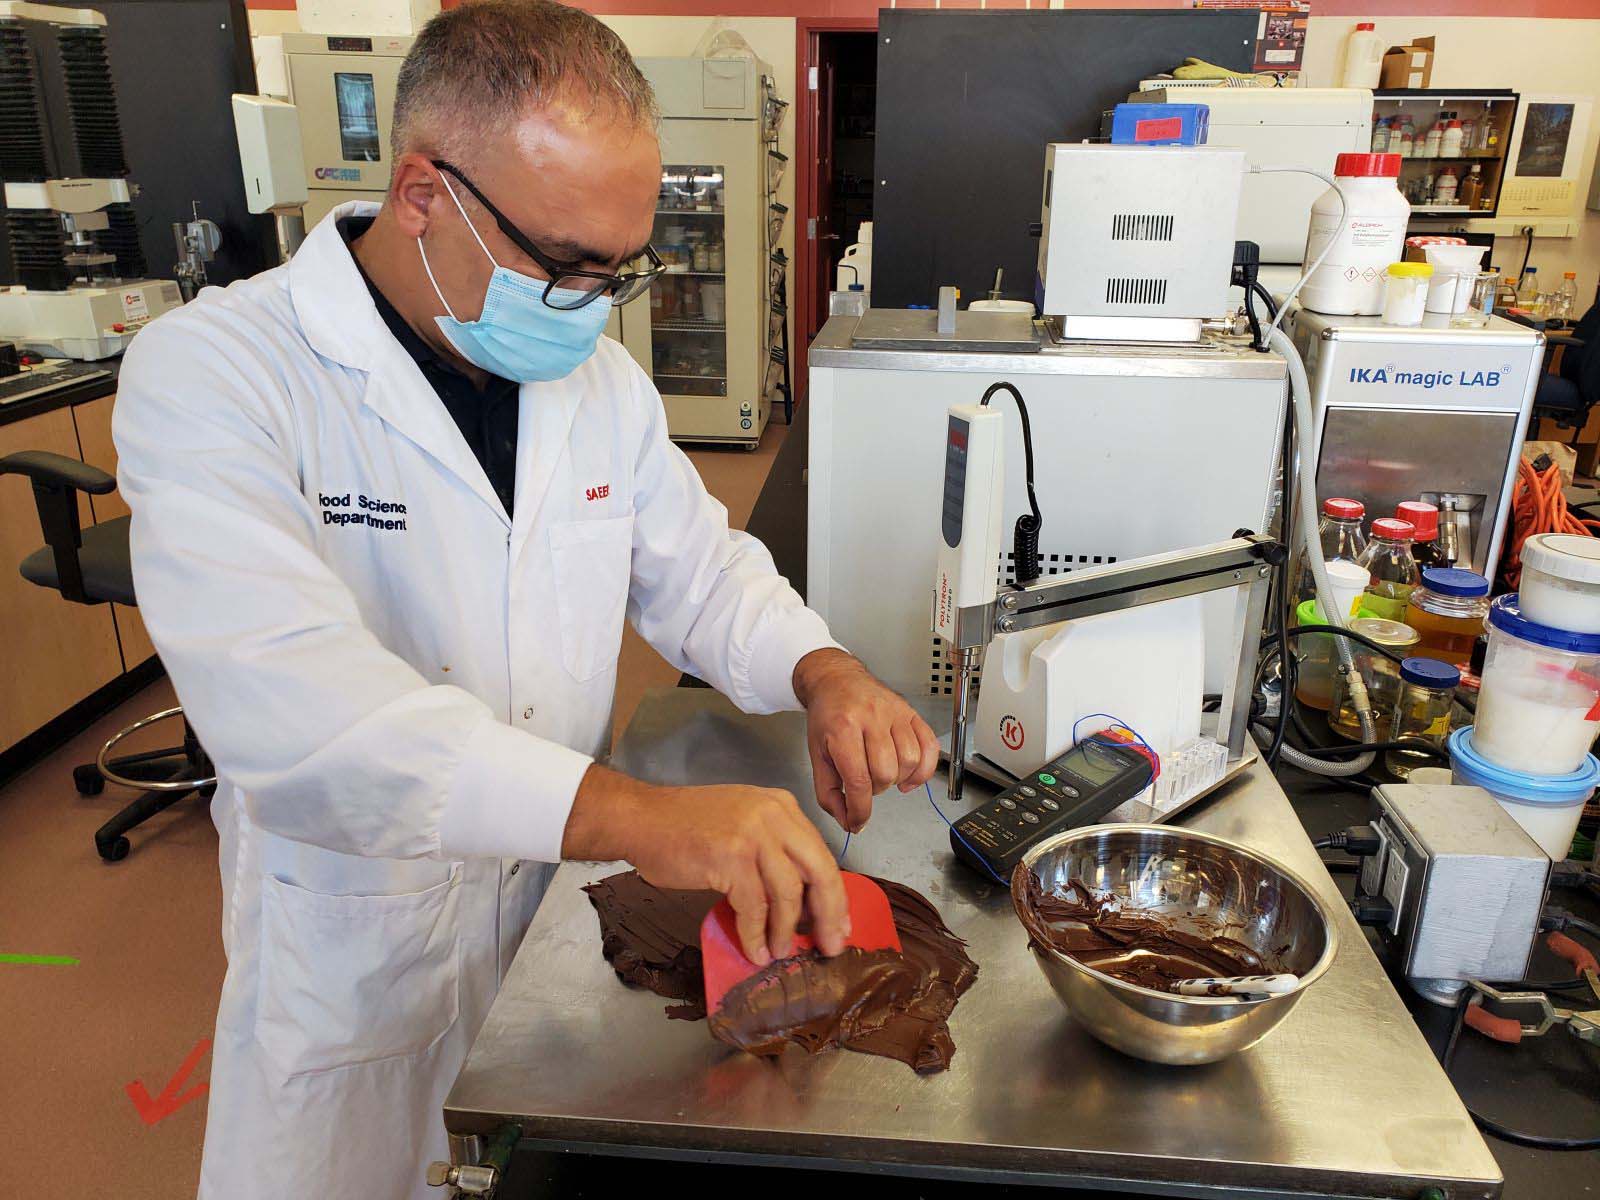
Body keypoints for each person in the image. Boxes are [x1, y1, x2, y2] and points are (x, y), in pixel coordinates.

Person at [113, 4, 938, 1195]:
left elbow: (697, 569)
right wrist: (643, 819)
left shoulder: (593, 377)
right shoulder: (219, 374)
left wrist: (822, 670)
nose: (593, 304)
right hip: (357, 957)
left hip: (543, 937)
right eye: (562, 264)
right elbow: (291, 711)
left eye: (620, 267)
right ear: (420, 194)